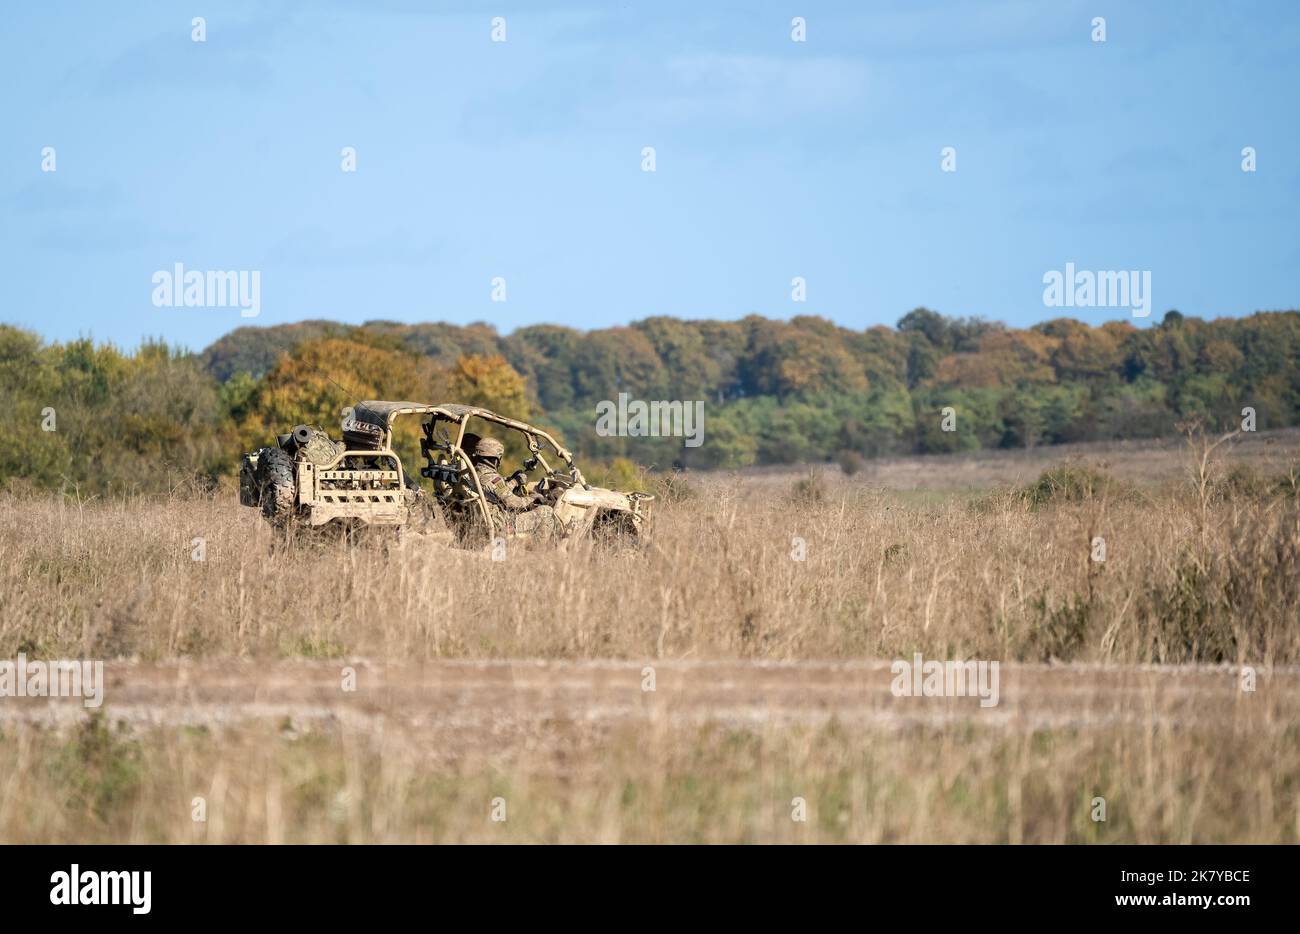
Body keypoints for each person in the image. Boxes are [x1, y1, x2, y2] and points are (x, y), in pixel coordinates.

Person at [468, 436, 561, 540]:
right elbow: (513, 502)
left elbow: (497, 490)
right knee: (546, 511)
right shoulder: (492, 477)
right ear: (495, 458)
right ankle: (538, 551)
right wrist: (535, 499)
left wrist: (514, 481)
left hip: (484, 519)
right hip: (500, 523)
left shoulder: (474, 473)